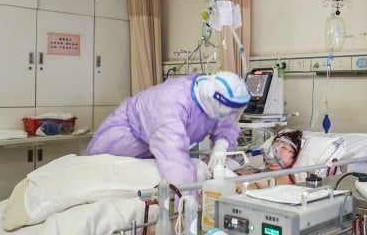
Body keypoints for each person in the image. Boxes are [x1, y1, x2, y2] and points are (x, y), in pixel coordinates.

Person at [86, 71, 249, 186]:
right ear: (216, 101)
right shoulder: (171, 102)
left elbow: (227, 121)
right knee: (96, 182)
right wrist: (188, 201)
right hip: (122, 143)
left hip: (153, 156)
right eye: (229, 111)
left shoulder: (215, 101)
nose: (231, 115)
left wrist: (222, 143)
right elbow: (174, 161)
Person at [239, 129, 303, 189]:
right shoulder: (260, 170)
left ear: (294, 158)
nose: (276, 148)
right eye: (275, 144)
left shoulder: (286, 176)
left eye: (284, 147)